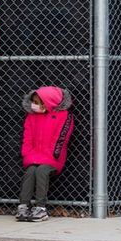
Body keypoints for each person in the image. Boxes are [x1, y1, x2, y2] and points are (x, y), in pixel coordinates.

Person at [16, 86, 74, 222]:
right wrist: (27, 154)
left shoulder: (64, 116)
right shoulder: (32, 116)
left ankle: (41, 208)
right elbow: (27, 136)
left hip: (53, 157)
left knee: (41, 171)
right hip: (34, 156)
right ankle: (23, 206)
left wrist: (53, 155)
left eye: (37, 102)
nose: (33, 105)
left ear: (48, 102)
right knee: (31, 171)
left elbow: (62, 137)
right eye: (33, 102)